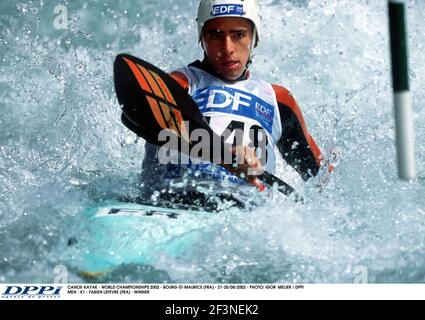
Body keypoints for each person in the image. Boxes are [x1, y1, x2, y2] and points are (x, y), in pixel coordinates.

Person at [139, 0, 328, 210]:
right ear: (202, 38)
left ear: (254, 38)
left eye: (238, 35)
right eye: (215, 35)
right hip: (166, 204)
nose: (227, 48)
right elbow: (143, 112)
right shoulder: (180, 83)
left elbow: (318, 177)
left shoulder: (278, 100)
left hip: (241, 219)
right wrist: (223, 154)